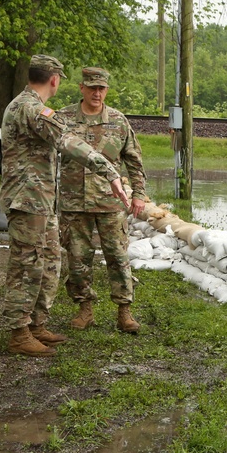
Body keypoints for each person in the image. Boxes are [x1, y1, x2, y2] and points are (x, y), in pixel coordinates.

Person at [0, 55, 129, 357]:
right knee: (26, 266)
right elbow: (68, 141)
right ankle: (19, 332)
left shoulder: (24, 104)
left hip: (41, 201)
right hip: (27, 201)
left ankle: (36, 324)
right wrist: (110, 171)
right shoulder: (31, 108)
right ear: (55, 79)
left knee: (49, 262)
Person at [57, 67, 148, 333]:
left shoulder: (118, 121)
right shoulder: (63, 118)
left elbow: (134, 159)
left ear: (106, 90)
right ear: (81, 88)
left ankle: (124, 311)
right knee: (77, 258)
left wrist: (139, 195)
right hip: (74, 203)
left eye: (102, 88)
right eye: (92, 87)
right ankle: (85, 309)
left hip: (110, 203)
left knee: (118, 257)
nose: (97, 93)